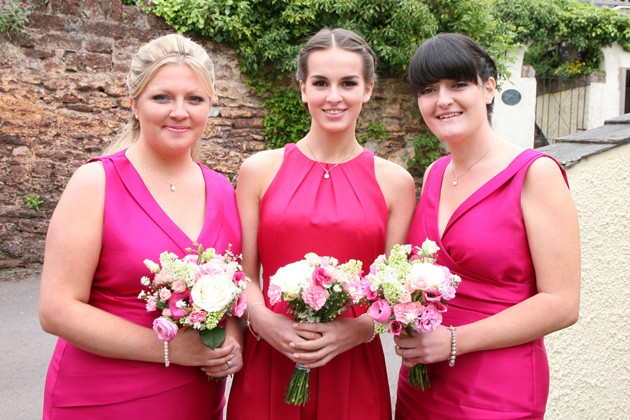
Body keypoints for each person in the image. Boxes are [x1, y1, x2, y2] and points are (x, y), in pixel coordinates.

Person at [39, 34, 243, 419]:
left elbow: (236, 294)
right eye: (162, 97)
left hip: (194, 400)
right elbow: (56, 309)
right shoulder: (96, 182)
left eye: (194, 99)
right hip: (101, 397)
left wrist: (232, 339)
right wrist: (170, 349)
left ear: (209, 106)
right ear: (134, 103)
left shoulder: (222, 190)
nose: (180, 112)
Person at [227, 27, 416, 419]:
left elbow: (394, 290)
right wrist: (262, 319)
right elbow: (245, 275)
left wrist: (360, 329)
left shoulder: (395, 182)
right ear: (302, 89)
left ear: (367, 89)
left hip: (353, 364)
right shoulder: (259, 171)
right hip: (272, 357)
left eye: (348, 83)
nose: (334, 96)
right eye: (320, 83)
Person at [394, 33, 581, 419]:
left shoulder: (535, 174)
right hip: (422, 385)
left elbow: (562, 304)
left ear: (489, 88)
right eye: (428, 89)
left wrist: (453, 340)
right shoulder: (434, 174)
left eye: (458, 84)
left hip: (497, 390)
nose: (442, 99)